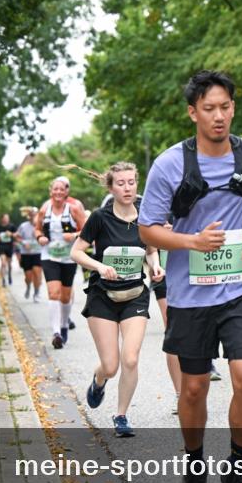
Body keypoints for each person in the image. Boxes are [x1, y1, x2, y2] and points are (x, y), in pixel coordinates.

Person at [138, 70, 242, 483]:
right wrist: (191, 242)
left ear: (233, 109)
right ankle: (194, 464)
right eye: (209, 109)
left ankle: (238, 468)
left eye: (225, 107)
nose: (218, 116)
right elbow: (147, 228)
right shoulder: (169, 164)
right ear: (192, 113)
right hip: (188, 294)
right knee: (195, 388)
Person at [71, 162, 162, 437]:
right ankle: (99, 381)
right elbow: (76, 252)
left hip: (135, 294)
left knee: (130, 359)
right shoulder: (100, 217)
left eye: (131, 182)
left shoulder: (146, 216)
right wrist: (98, 267)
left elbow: (151, 249)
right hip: (103, 297)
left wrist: (155, 266)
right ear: (111, 187)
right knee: (110, 365)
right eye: (121, 183)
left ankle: (121, 415)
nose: (127, 188)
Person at [35, 176, 87, 349]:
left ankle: (64, 325)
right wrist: (40, 237)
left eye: (61, 189)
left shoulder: (73, 210)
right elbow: (37, 228)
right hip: (49, 257)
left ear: (66, 192)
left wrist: (72, 235)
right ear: (51, 191)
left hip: (68, 258)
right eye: (55, 189)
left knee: (65, 296)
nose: (58, 192)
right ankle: (56, 332)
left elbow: (87, 230)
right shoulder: (44, 210)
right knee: (53, 292)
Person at [16, 206, 43, 301]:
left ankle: (36, 293)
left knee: (37, 272)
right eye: (32, 215)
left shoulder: (42, 226)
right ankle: (28, 287)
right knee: (28, 276)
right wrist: (23, 243)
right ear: (29, 216)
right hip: (26, 254)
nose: (33, 217)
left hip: (38, 253)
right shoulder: (23, 226)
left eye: (35, 215)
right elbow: (17, 237)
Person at [0, 213, 17, 286]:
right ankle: (3, 280)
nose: (6, 219)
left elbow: (16, 235)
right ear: (2, 219)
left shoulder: (12, 226)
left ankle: (10, 274)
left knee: (9, 264)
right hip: (2, 247)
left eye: (7, 218)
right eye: (5, 218)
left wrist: (11, 234)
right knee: (3, 263)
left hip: (9, 247)